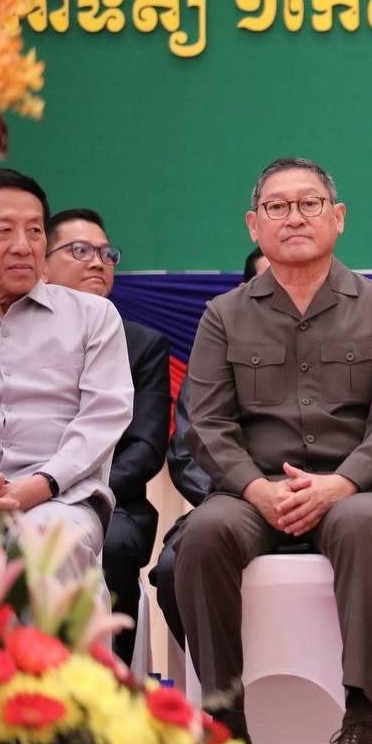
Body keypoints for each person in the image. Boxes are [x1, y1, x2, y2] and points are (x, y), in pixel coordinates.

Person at [175, 158, 372, 744]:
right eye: (277, 207)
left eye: (309, 203)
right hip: (255, 492)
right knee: (203, 533)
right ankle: (225, 722)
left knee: (361, 523)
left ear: (337, 218)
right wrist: (255, 490)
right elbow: (205, 423)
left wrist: (342, 483)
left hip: (360, 487)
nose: (294, 217)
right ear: (253, 225)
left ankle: (359, 721)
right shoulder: (223, 315)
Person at [0, 169, 133, 594]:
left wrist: (39, 485)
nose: (23, 245)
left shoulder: (93, 316)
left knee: (45, 543)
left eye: (35, 230)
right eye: (3, 230)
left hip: (61, 498)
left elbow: (102, 419)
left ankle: (57, 645)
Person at [45, 207, 171, 665]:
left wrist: (65, 490)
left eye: (106, 253)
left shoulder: (143, 344)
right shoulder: (11, 337)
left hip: (113, 503)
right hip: (18, 494)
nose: (98, 262)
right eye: (80, 251)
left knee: (111, 545)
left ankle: (112, 684)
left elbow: (145, 448)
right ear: (41, 263)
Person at [150, 247, 268, 649]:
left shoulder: (336, 349)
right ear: (244, 292)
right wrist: (249, 498)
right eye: (269, 283)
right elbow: (188, 454)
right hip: (230, 505)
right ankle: (212, 682)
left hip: (317, 507)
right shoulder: (213, 358)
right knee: (173, 567)